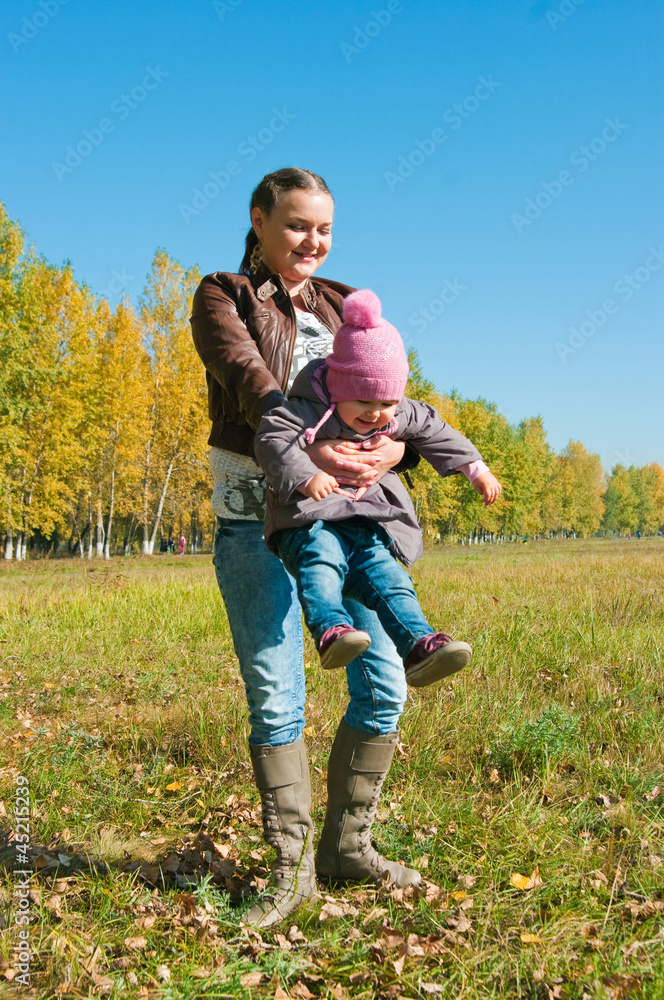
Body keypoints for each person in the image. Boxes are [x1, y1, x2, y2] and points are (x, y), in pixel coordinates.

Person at [191, 167, 449, 928]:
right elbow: (248, 382)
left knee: (385, 680)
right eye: (299, 224)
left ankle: (347, 848)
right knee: (278, 696)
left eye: (325, 228)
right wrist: (308, 453)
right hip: (254, 517)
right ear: (259, 219)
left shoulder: (346, 304)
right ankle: (291, 871)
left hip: (346, 523)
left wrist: (393, 455)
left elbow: (391, 403)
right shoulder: (224, 295)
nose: (314, 241)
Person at [254, 289, 502, 687]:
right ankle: (332, 630)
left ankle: (420, 644)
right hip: (312, 522)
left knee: (392, 579)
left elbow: (437, 431)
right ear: (338, 386)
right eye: (364, 401)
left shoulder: (396, 410)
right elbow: (272, 439)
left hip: (368, 524)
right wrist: (305, 474)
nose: (376, 413)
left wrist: (476, 470)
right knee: (321, 560)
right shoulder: (304, 409)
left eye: (387, 403)